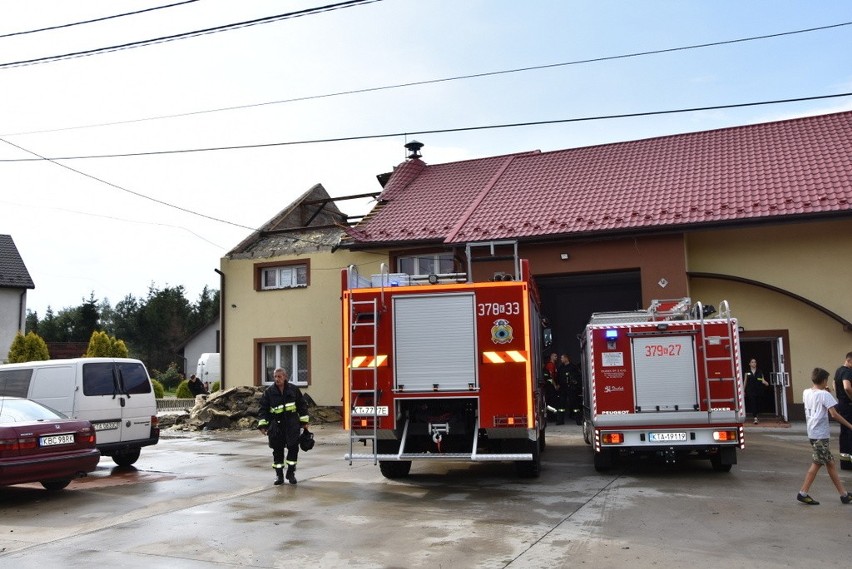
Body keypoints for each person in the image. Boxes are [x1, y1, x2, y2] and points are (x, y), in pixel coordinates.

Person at [796, 367, 852, 505]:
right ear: (825, 380)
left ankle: (844, 494)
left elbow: (816, 401)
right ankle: (803, 492)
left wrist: (824, 391)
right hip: (821, 434)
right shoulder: (825, 395)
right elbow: (834, 414)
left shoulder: (806, 392)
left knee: (830, 463)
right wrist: (850, 425)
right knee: (817, 463)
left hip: (812, 432)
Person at [257, 368, 310, 485]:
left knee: (293, 448)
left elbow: (302, 406)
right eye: (275, 377)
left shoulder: (293, 389)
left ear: (285, 377)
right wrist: (263, 425)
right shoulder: (269, 392)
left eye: (279, 376)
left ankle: (291, 473)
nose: (277, 379)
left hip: (292, 425)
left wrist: (304, 423)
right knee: (277, 450)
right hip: (276, 426)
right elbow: (263, 410)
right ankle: (279, 475)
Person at [833, 351, 852, 470]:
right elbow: (846, 386)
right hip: (849, 405)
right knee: (850, 431)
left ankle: (845, 463)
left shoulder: (839, 370)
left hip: (842, 404)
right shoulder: (848, 372)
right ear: (849, 361)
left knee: (844, 433)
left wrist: (839, 396)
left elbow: (834, 383)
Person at [558, 354, 583, 425]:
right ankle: (560, 421)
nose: (561, 360)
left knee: (575, 404)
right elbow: (558, 377)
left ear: (566, 358)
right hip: (563, 388)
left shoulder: (573, 367)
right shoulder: (560, 367)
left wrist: (576, 383)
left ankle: (578, 420)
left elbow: (578, 377)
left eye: (562, 358)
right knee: (561, 405)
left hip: (571, 388)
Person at [744, 358, 768, 424]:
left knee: (758, 403)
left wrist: (766, 383)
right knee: (753, 403)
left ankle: (757, 415)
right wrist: (743, 390)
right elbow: (745, 381)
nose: (753, 363)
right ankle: (755, 418)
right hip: (750, 391)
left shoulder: (760, 371)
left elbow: (762, 379)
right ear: (749, 364)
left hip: (759, 390)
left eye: (755, 362)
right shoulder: (747, 372)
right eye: (752, 362)